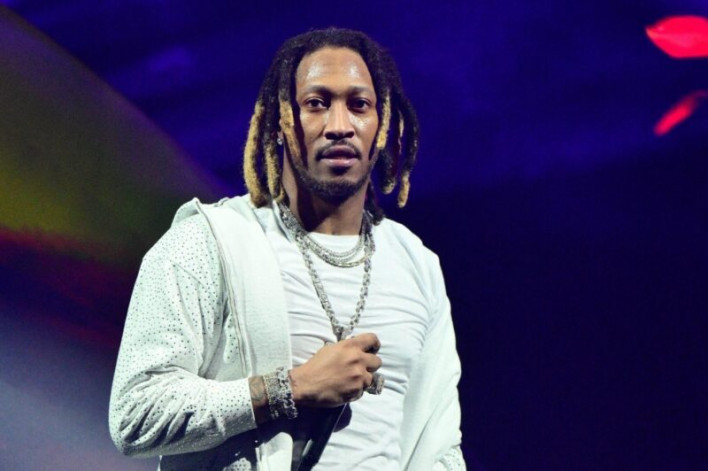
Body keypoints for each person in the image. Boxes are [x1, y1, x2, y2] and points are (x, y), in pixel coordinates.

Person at [109, 27, 465, 470]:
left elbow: (439, 447)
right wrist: (290, 388)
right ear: (280, 121)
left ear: (382, 125)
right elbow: (136, 412)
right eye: (317, 103)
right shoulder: (211, 240)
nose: (339, 126)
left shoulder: (416, 264)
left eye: (359, 105)